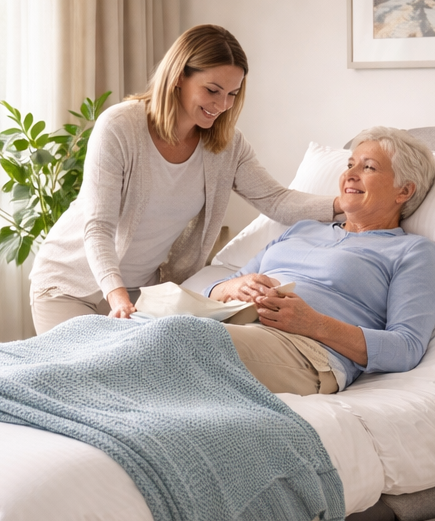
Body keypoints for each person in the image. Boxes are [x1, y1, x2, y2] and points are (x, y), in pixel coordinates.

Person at [29, 24, 340, 334]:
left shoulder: (227, 146)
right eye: (212, 90)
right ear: (179, 76)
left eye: (232, 94)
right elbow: (99, 226)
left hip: (143, 295)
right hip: (72, 286)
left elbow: (277, 200)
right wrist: (118, 297)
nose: (222, 106)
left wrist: (345, 205)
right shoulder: (120, 127)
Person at [208, 127, 435, 397]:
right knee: (154, 326)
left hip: (307, 353)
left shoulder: (412, 250)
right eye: (350, 164)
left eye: (369, 167)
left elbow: (406, 348)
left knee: (179, 336)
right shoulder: (302, 229)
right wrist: (234, 287)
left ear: (404, 191)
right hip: (233, 326)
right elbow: (215, 291)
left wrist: (315, 324)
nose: (350, 175)